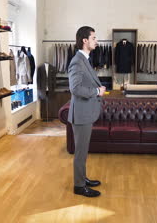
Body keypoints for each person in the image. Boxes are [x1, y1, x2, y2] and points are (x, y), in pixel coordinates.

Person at [68, 26, 106, 198]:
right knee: (80, 152)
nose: (96, 41)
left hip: (86, 113)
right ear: (85, 40)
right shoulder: (77, 61)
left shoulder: (84, 60)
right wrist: (97, 92)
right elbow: (75, 88)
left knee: (83, 151)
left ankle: (82, 179)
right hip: (81, 114)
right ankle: (79, 186)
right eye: (94, 38)